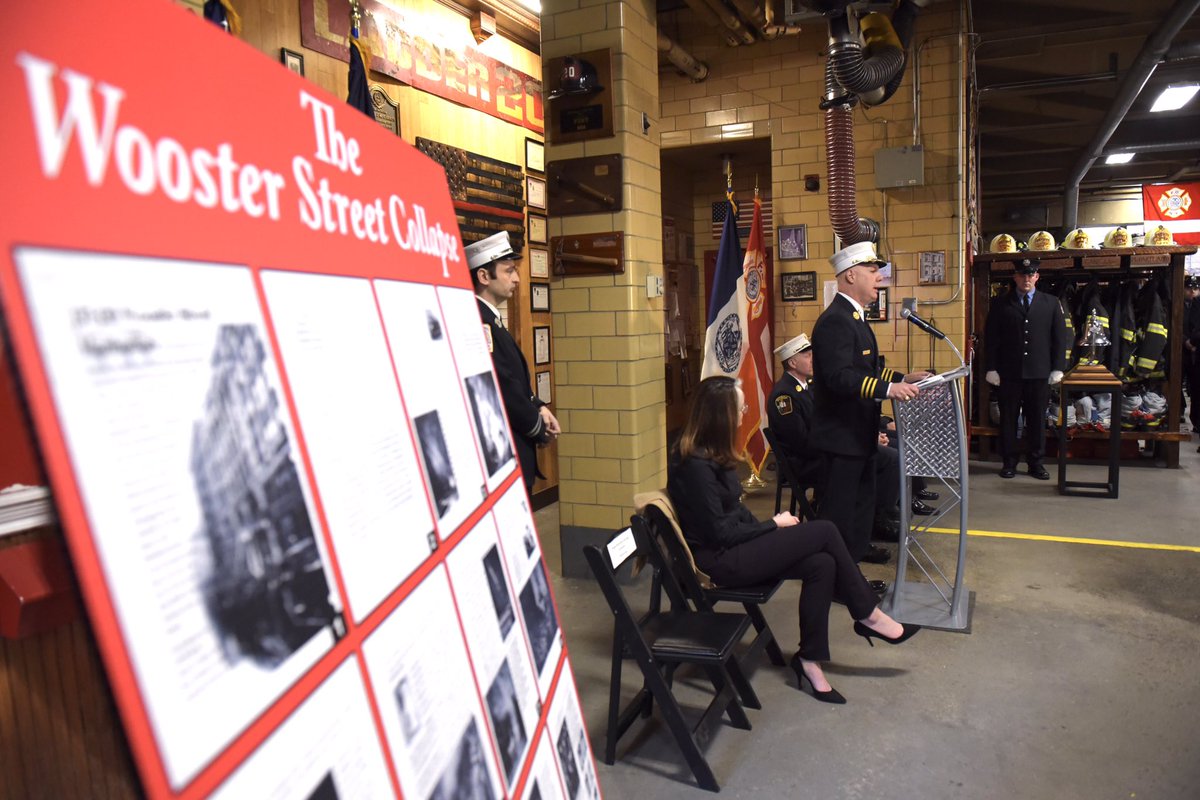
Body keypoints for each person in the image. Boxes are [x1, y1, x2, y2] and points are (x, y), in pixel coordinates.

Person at [668, 376, 919, 704]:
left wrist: (769, 530)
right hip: (721, 562)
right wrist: (773, 524)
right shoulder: (694, 465)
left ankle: (810, 660)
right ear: (720, 413)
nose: (745, 412)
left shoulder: (714, 453)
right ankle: (868, 615)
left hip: (737, 547)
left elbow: (734, 516)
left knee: (822, 563)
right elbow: (720, 534)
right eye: (740, 407)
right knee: (825, 530)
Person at [810, 241, 930, 565]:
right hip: (840, 437)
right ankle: (834, 575)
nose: (880, 277)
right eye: (873, 270)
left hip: (857, 435)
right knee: (840, 512)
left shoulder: (855, 318)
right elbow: (839, 378)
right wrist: (888, 389)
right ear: (850, 275)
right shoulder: (836, 320)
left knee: (862, 503)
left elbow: (870, 369)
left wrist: (902, 378)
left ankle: (855, 558)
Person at [767, 333, 934, 547]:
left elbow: (835, 418)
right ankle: (875, 521)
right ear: (792, 362)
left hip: (824, 452)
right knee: (887, 459)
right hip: (807, 463)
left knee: (884, 454)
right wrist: (851, 442)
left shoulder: (810, 386)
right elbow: (803, 443)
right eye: (808, 356)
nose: (813, 360)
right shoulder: (785, 397)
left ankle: (873, 518)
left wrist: (865, 435)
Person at [466, 231, 560, 497]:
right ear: (484, 276)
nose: (517, 279)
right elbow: (501, 383)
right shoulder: (479, 321)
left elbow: (514, 378)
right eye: (509, 271)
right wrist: (536, 427)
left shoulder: (490, 319)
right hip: (505, 449)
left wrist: (538, 406)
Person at [984, 257, 1065, 479]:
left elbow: (1060, 338)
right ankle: (1009, 461)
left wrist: (1058, 367)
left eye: (1031, 275)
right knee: (1009, 419)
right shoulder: (1001, 303)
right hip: (1009, 373)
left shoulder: (1051, 303)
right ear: (1015, 276)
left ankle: (1036, 462)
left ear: (1037, 277)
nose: (1026, 279)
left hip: (1039, 373)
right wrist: (991, 368)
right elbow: (991, 338)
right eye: (1022, 274)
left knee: (1037, 419)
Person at [1183, 275, 1200, 444]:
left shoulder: (1196, 305)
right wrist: (1185, 341)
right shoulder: (1180, 305)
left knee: (1196, 389)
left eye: (1195, 288)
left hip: (1196, 351)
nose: (1192, 291)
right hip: (1184, 351)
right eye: (1189, 288)